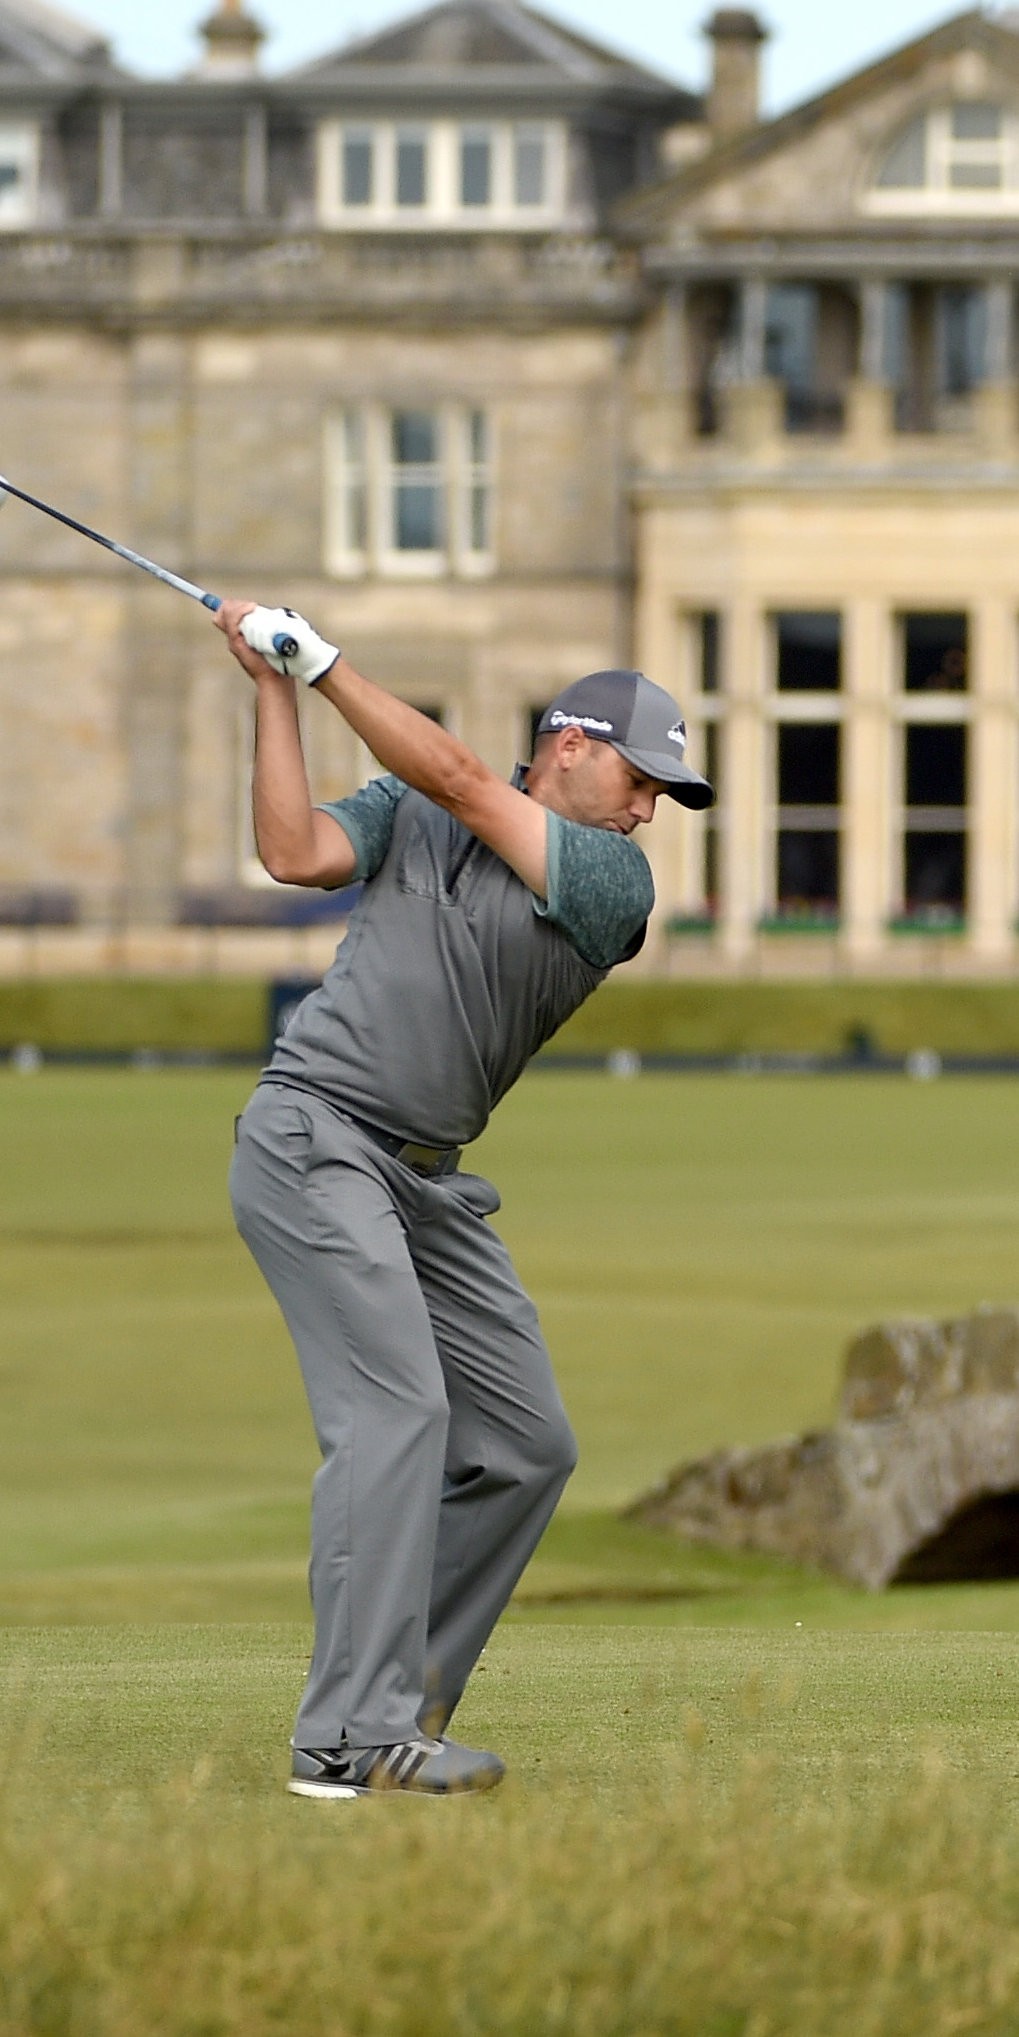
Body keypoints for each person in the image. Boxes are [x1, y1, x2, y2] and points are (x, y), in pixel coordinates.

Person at [210, 590, 710, 1799]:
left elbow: (465, 783)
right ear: (573, 748)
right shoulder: (411, 816)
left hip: (425, 1187)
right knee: (396, 1419)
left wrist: (323, 662)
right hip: (316, 1140)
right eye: (642, 780)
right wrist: (272, 691)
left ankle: (401, 1708)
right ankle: (353, 1736)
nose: (650, 810)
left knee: (527, 1448)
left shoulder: (609, 886)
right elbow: (293, 852)